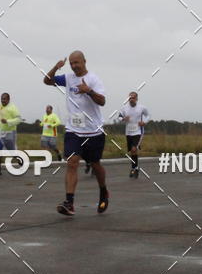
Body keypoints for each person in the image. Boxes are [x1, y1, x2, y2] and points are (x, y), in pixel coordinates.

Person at [44, 51, 108, 215]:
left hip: (93, 131)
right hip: (74, 130)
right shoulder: (68, 78)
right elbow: (47, 80)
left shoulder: (94, 79)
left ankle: (103, 191)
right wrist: (55, 68)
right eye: (71, 63)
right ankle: (69, 202)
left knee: (95, 164)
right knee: (72, 162)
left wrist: (89, 91)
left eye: (76, 62)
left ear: (84, 61)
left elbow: (102, 101)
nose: (73, 66)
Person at [117, 91, 150, 178]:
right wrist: (123, 118)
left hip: (138, 132)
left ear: (136, 99)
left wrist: (144, 122)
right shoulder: (124, 108)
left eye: (133, 98)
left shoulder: (142, 108)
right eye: (130, 98)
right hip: (128, 132)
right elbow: (119, 117)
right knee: (132, 151)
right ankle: (135, 168)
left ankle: (133, 168)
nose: (131, 99)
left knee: (134, 149)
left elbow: (148, 115)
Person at [0, 92, 21, 175]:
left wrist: (7, 121)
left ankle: (19, 159)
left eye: (4, 99)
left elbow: (19, 119)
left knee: (12, 151)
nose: (3, 100)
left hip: (10, 133)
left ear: (8, 99)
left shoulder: (13, 108)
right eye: (2, 99)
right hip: (0, 133)